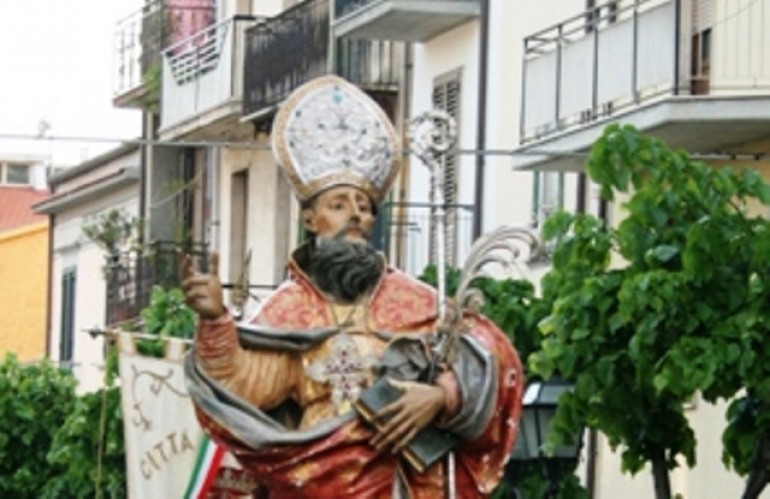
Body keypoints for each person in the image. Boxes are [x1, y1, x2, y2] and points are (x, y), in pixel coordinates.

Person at [183, 75, 524, 498]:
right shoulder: (287, 312)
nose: (356, 217)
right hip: (317, 482)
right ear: (311, 220)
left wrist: (441, 396)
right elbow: (240, 389)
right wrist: (215, 320)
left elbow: (494, 357)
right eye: (339, 205)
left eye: (364, 208)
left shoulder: (419, 302)